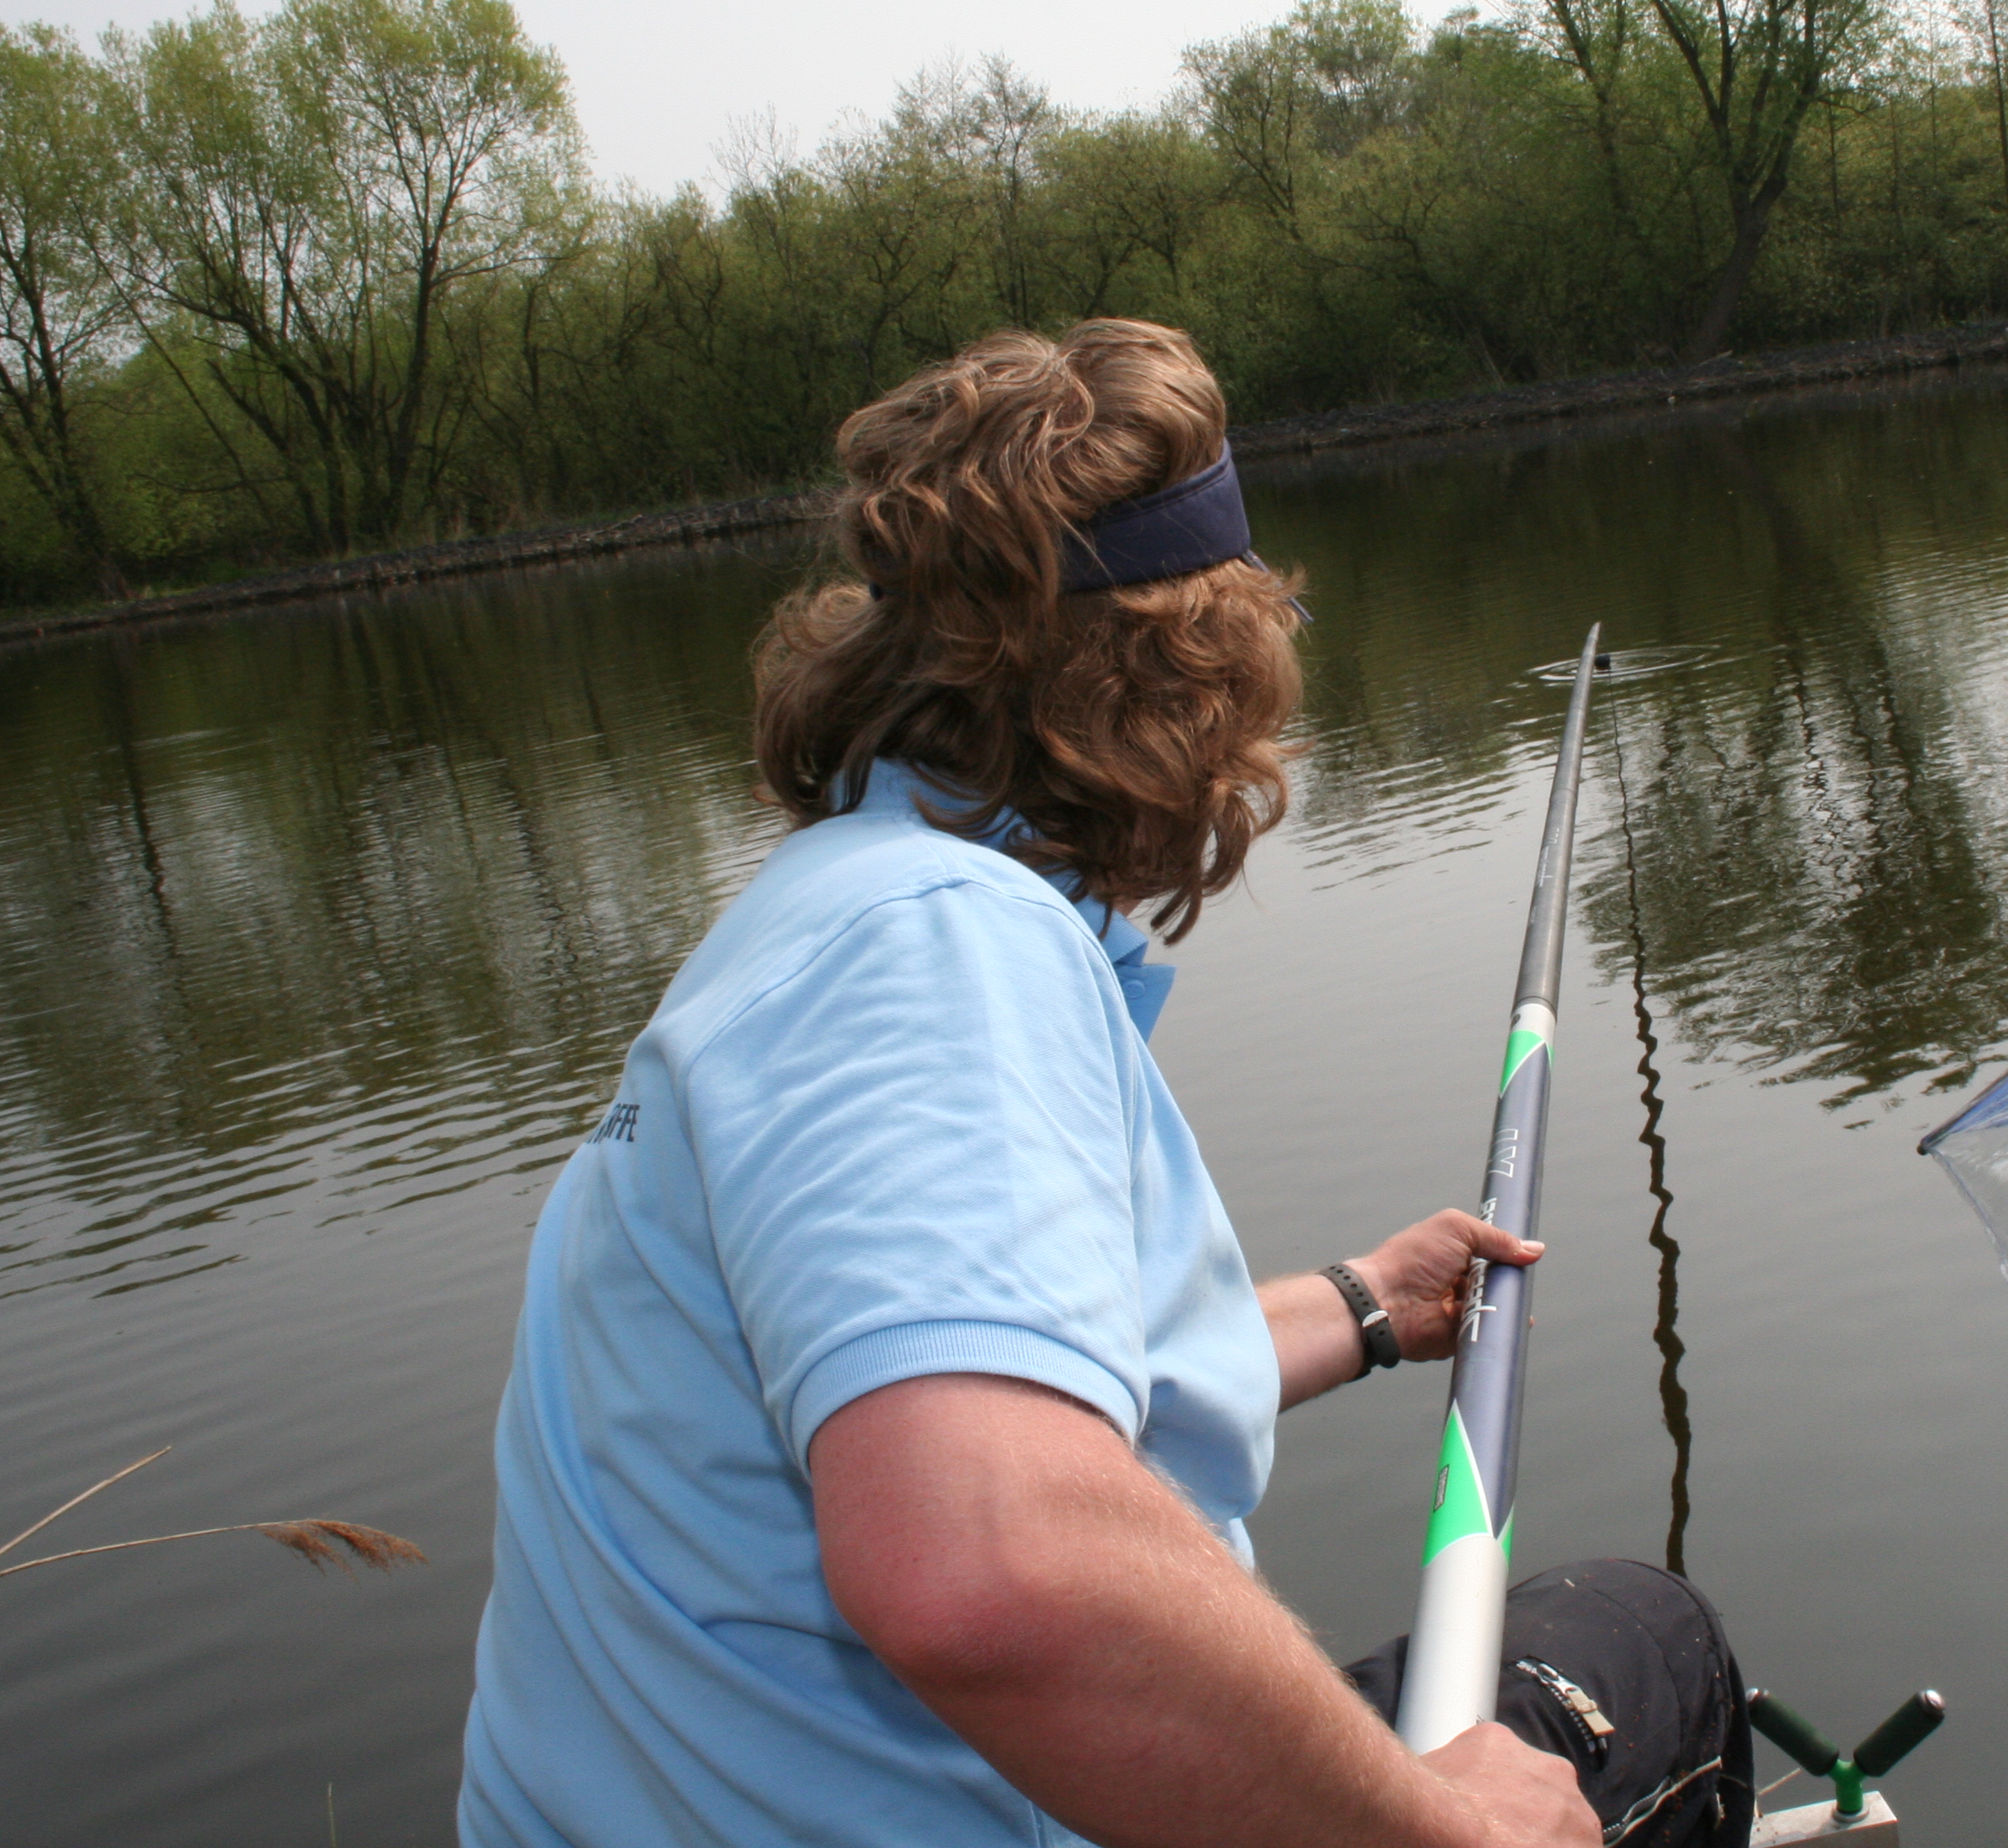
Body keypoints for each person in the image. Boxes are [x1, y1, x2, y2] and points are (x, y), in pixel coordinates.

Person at [459, 319, 1753, 1847]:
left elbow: (1007, 1378)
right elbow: (986, 1569)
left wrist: (1358, 1305)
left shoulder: (829, 912)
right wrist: (1430, 1830)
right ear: (1190, 676)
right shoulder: (940, 953)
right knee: (1646, 1644)